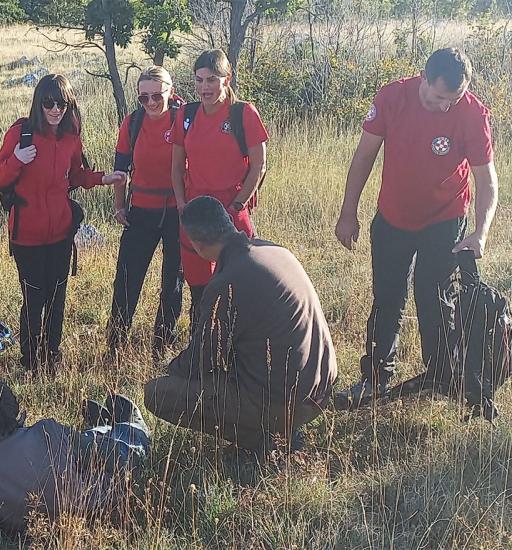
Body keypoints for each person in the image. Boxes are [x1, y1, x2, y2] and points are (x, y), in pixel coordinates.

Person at [333, 48, 499, 408]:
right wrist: (348, 213)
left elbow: (487, 181)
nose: (446, 107)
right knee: (388, 297)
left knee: (436, 298)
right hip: (393, 217)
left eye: (453, 99)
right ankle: (375, 378)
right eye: (440, 97)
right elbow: (364, 157)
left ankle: (443, 377)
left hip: (445, 217)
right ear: (424, 79)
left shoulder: (471, 113)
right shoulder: (393, 97)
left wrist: (480, 232)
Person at [144, 196, 337, 455]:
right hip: (321, 387)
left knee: (157, 393)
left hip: (287, 401)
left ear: (197, 245)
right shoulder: (275, 251)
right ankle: (278, 429)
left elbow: (200, 361)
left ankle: (264, 441)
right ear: (228, 223)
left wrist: (171, 369)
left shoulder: (227, 282)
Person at [0, 74, 123, 372]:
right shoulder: (20, 134)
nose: (55, 109)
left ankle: (52, 356)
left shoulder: (70, 137)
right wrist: (17, 160)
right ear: (39, 103)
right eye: (48, 102)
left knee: (57, 300)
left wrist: (104, 178)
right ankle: (30, 361)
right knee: (33, 300)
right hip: (26, 236)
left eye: (61, 103)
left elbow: (76, 176)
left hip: (61, 234)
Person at [0, 377, 150, 533]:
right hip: (92, 506)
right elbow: (114, 460)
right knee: (115, 447)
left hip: (26, 531)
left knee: (81, 443)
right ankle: (130, 426)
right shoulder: (46, 433)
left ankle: (102, 428)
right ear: (15, 411)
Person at [170, 49, 268, 333]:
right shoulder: (186, 115)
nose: (204, 88)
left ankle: (239, 353)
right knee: (200, 292)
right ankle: (200, 353)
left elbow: (259, 166)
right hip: (196, 214)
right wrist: (181, 204)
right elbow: (176, 166)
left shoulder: (243, 113)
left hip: (231, 213)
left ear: (227, 79)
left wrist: (237, 206)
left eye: (212, 80)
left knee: (239, 286)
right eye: (199, 80)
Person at [106, 66, 183, 360]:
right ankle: (115, 346)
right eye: (143, 97)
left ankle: (161, 348)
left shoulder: (184, 119)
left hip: (177, 212)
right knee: (127, 278)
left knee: (172, 282)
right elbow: (120, 170)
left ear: (170, 92)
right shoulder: (133, 123)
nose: (150, 103)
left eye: (156, 96)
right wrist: (119, 205)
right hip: (141, 210)